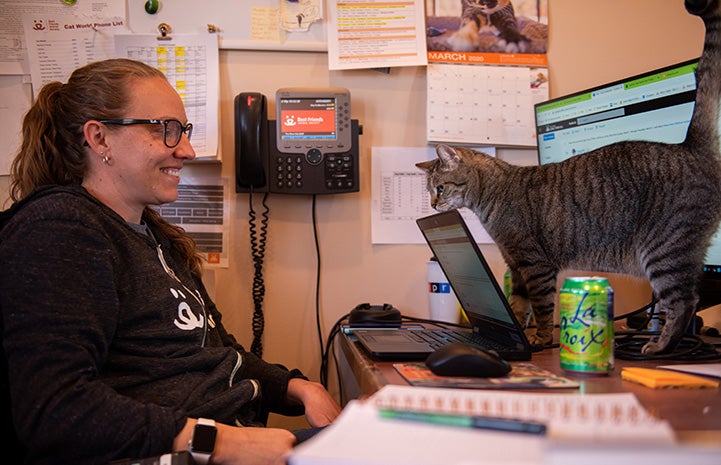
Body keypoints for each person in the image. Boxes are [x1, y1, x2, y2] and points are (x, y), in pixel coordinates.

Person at [0, 58, 341, 465]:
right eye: (165, 130)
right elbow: (54, 410)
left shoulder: (157, 237)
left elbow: (221, 353)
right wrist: (222, 443)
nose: (186, 149)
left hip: (221, 435)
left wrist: (299, 388)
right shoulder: (60, 229)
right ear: (100, 138)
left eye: (183, 130)